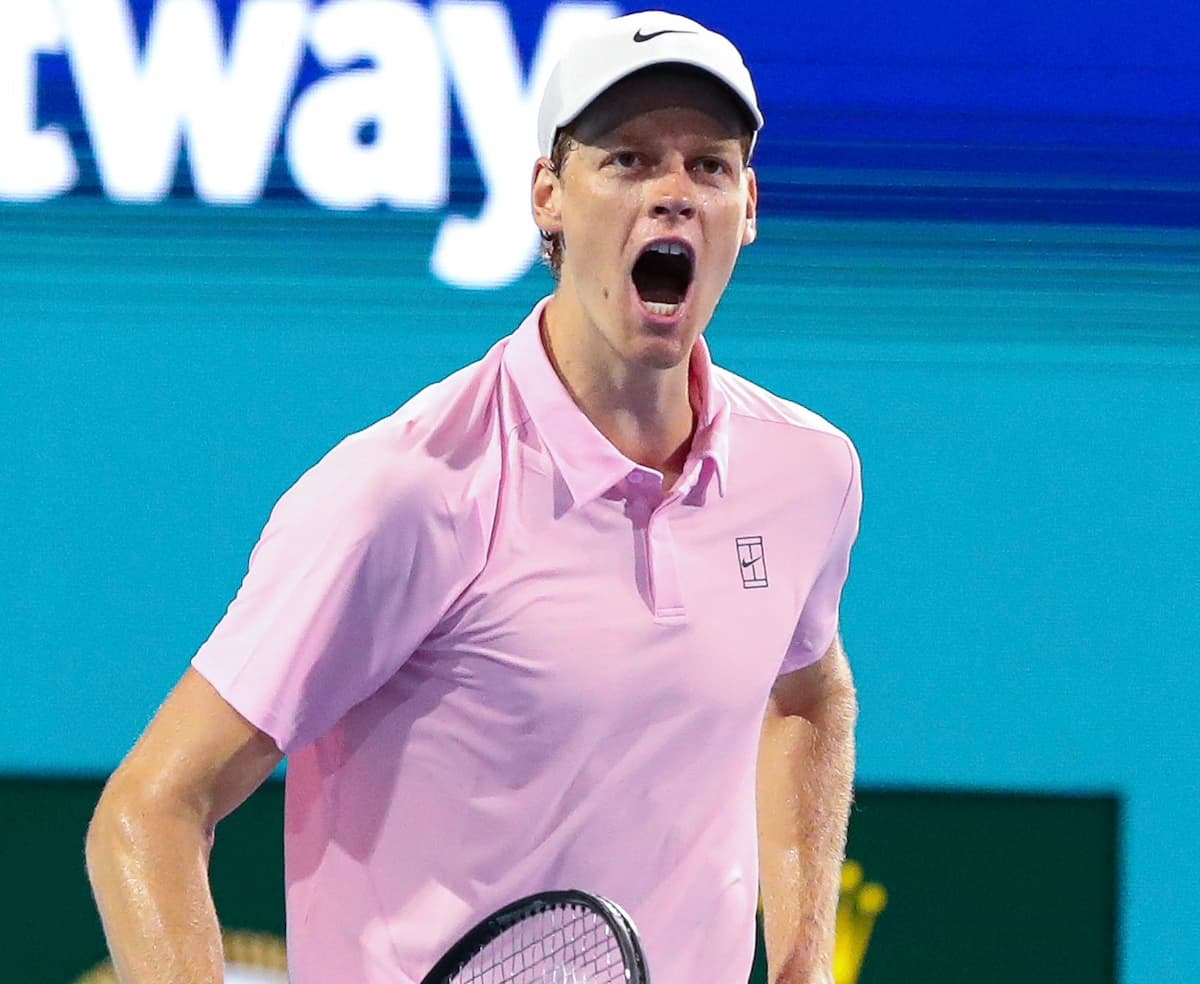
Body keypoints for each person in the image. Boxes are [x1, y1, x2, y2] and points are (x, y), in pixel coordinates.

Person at [85, 11, 861, 984]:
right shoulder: (406, 495)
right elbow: (148, 812)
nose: (672, 196)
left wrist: (804, 962)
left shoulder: (807, 472)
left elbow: (808, 690)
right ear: (548, 196)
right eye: (626, 161)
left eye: (708, 167)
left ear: (748, 205)